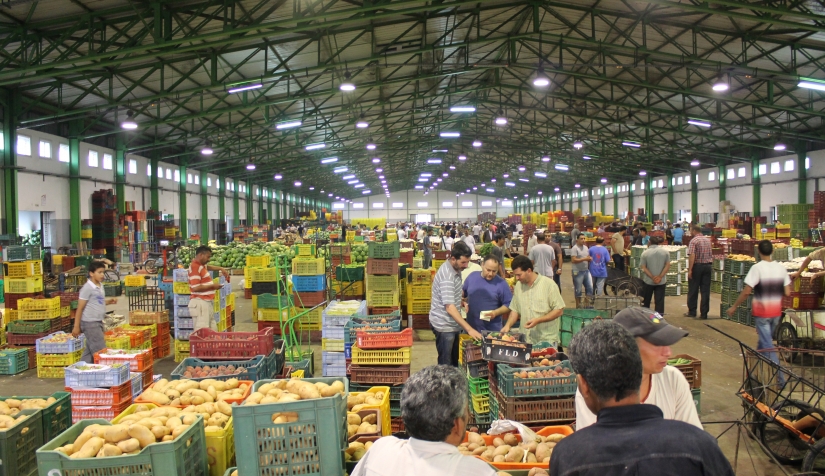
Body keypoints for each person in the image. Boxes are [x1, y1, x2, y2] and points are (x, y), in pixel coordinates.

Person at [556, 320, 732, 476]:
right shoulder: (701, 446)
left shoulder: (569, 457)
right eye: (658, 344)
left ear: (584, 385)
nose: (668, 352)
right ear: (638, 369)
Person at [351, 365, 497, 476]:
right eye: (467, 411)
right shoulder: (476, 471)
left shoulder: (381, 450)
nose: (470, 415)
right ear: (457, 425)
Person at [574, 306, 701, 430]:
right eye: (657, 343)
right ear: (626, 345)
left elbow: (693, 436)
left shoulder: (673, 379)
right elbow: (594, 442)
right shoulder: (596, 387)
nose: (668, 352)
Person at [728, 240, 792, 370]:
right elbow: (787, 292)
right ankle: (753, 373)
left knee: (768, 346)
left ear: (758, 252)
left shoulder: (757, 268)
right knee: (763, 343)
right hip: (776, 313)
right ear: (773, 251)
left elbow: (746, 292)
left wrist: (734, 306)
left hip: (762, 314)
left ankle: (780, 378)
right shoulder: (781, 268)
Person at [430, 242, 481, 366]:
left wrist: (461, 301)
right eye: (463, 262)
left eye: (467, 262)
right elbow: (450, 307)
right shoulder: (447, 276)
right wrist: (469, 329)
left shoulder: (455, 268)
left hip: (452, 324)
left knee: (454, 361)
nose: (466, 265)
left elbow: (450, 296)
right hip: (444, 325)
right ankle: (444, 385)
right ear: (453, 259)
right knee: (445, 364)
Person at [501, 255, 566, 346]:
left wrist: (538, 320)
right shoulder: (519, 286)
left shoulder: (549, 285)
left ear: (529, 271)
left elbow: (559, 310)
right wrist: (507, 325)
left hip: (546, 341)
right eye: (515, 275)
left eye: (519, 275)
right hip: (526, 340)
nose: (517, 278)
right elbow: (515, 310)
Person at [74, 261, 116, 363]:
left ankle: (81, 372)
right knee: (100, 351)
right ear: (91, 273)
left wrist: (108, 302)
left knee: (89, 352)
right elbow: (80, 308)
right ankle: (103, 374)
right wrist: (76, 326)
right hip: (90, 323)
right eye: (99, 272)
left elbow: (97, 301)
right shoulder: (87, 288)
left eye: (103, 272)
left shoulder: (100, 286)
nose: (102, 275)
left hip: (98, 321)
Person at [462, 256, 512, 332]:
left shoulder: (501, 284)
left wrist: (495, 313)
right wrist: (462, 301)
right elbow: (463, 293)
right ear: (482, 265)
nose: (490, 274)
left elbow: (509, 304)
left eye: (494, 271)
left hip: (492, 331)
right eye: (488, 270)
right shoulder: (472, 277)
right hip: (471, 329)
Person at [187, 245, 230, 332]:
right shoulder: (195, 267)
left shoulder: (200, 266)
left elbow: (209, 267)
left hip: (206, 303)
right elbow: (195, 288)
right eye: (208, 257)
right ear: (201, 255)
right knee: (203, 332)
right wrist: (213, 286)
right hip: (200, 303)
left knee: (212, 330)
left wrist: (221, 268)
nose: (209, 259)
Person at [685, 225, 713, 319]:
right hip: (708, 266)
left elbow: (692, 255)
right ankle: (704, 313)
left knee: (693, 289)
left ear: (693, 230)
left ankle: (692, 311)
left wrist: (690, 270)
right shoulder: (707, 240)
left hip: (697, 267)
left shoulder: (694, 241)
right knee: (705, 291)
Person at [640, 236, 671, 315]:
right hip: (661, 282)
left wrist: (652, 277)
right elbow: (667, 265)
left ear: (649, 242)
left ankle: (647, 318)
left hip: (648, 281)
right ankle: (657, 320)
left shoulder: (645, 253)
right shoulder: (665, 252)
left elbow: (644, 268)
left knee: (646, 301)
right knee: (659, 302)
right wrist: (660, 277)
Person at [570, 234, 593, 308]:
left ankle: (586, 305)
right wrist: (585, 259)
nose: (583, 240)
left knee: (590, 288)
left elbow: (586, 257)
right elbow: (573, 260)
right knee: (578, 290)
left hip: (586, 270)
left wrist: (589, 258)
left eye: (584, 238)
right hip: (577, 271)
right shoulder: (575, 248)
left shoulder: (586, 248)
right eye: (581, 239)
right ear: (577, 240)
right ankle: (578, 306)